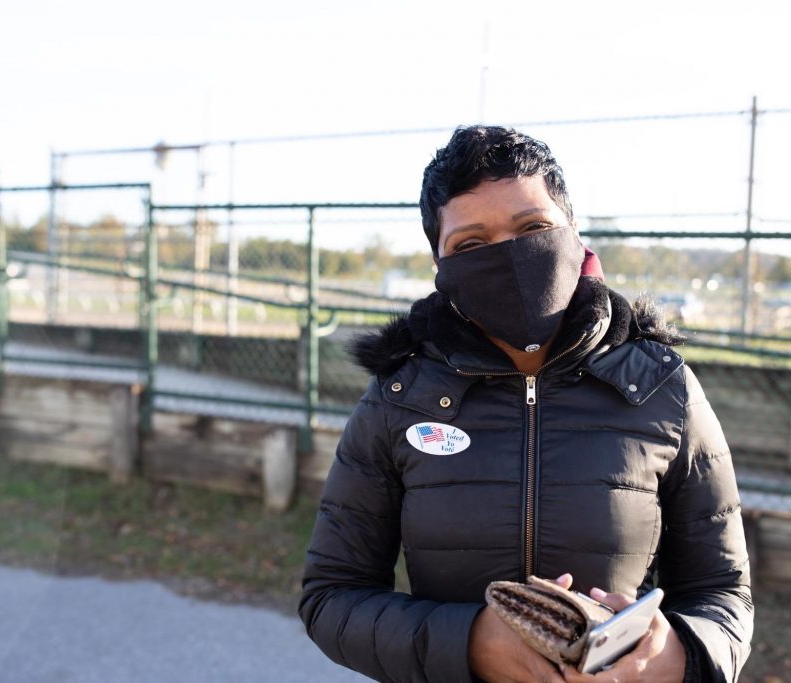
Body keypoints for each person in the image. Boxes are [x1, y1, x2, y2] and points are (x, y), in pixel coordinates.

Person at [299, 125, 753, 682]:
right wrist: (470, 644)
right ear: (439, 265)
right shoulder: (400, 397)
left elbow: (725, 594)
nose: (510, 258)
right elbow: (331, 597)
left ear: (573, 232)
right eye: (470, 244)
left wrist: (675, 657)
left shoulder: (662, 388)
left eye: (533, 227)